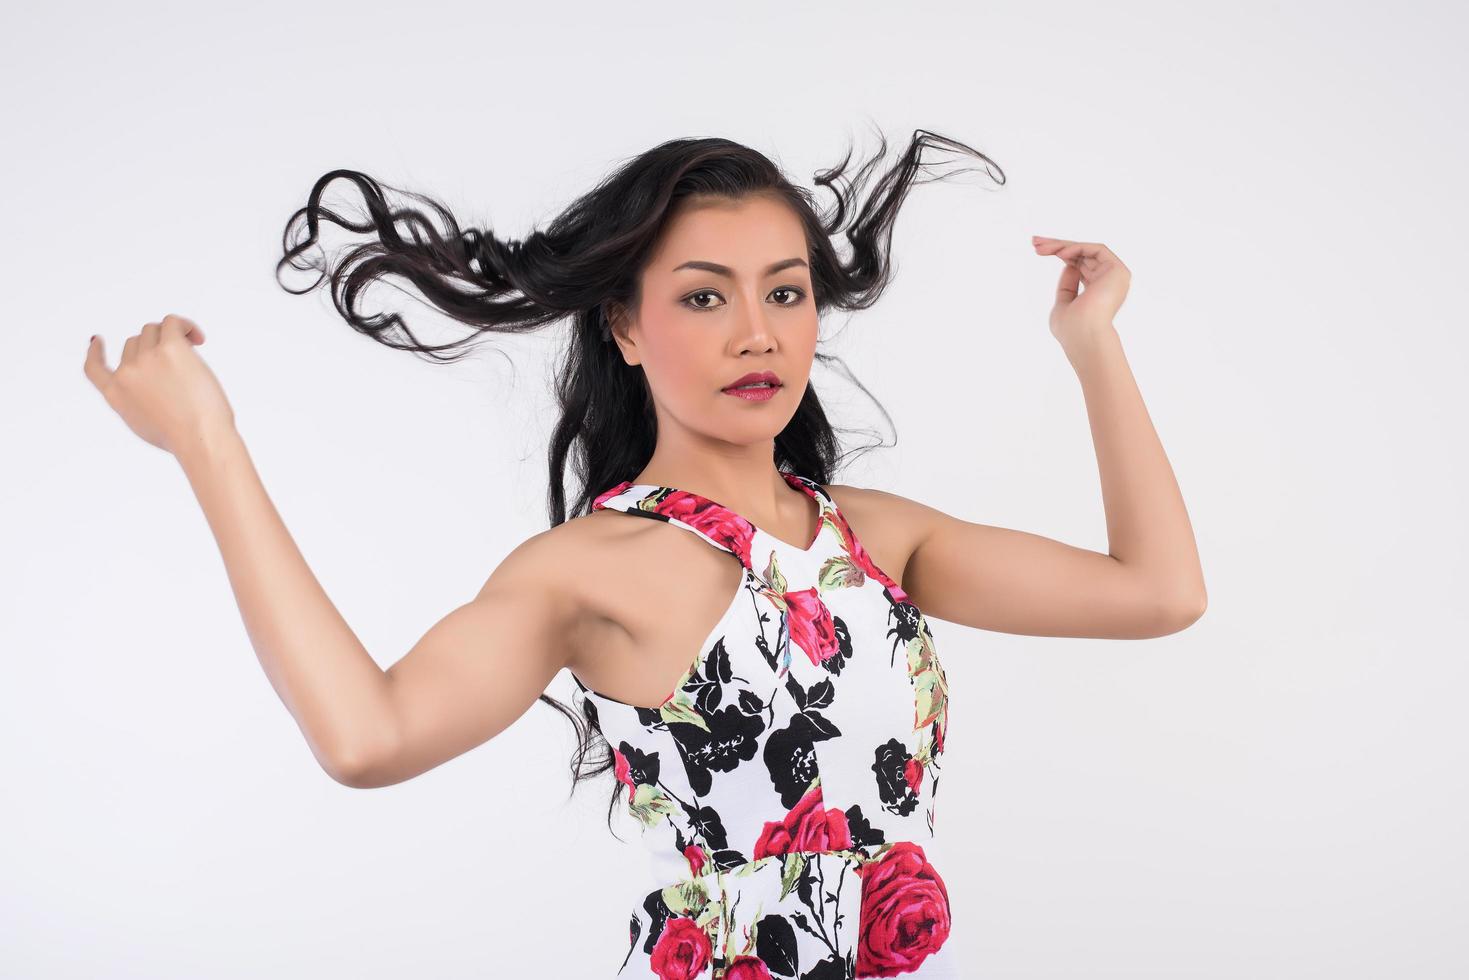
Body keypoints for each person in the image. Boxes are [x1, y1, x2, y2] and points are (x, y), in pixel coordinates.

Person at [81, 130, 1207, 978]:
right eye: (703, 297)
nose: (756, 332)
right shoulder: (587, 569)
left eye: (784, 292)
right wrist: (206, 445)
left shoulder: (876, 538)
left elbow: (1158, 593)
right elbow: (364, 736)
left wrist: (1089, 344)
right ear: (624, 326)